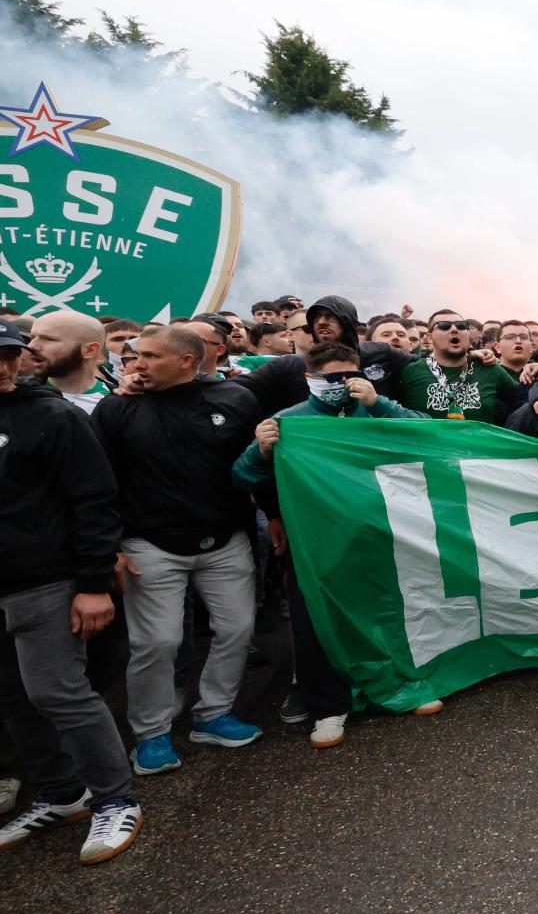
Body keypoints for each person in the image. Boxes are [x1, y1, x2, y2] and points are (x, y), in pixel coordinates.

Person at [234, 341, 427, 746]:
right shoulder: (290, 422)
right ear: (309, 379)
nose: (341, 385)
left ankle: (397, 689)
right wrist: (260, 452)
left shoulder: (375, 410)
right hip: (315, 542)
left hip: (376, 534)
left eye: (348, 376)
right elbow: (242, 479)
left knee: (387, 614)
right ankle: (328, 708)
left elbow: (424, 434)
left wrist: (381, 405)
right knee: (314, 625)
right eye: (330, 378)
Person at [0, 320, 142, 865]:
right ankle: (62, 795)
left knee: (58, 692)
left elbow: (94, 500)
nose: (5, 363)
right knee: (13, 696)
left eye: (10, 353)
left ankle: (113, 799)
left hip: (43, 579)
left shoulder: (50, 415)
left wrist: (90, 585)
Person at [94, 325, 264, 773]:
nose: (136, 364)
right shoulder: (115, 409)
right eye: (134, 356)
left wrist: (274, 516)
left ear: (187, 360)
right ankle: (150, 734)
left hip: (226, 539)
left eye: (149, 356)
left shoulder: (236, 400)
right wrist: (109, 548)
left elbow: (256, 462)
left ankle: (214, 714)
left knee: (238, 630)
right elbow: (98, 485)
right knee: (157, 642)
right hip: (149, 543)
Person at [241, 295, 411, 416]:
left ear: (348, 321)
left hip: (375, 446)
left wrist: (378, 403)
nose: (321, 322)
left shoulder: (381, 352)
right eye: (316, 318)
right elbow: (235, 390)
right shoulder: (290, 365)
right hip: (315, 453)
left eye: (330, 317)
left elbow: (427, 369)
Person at [402, 310, 522, 423]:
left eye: (461, 326)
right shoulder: (410, 371)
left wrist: (537, 368)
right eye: (444, 326)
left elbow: (524, 399)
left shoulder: (490, 368)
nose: (454, 329)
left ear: (468, 334)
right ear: (429, 337)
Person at [27, 310, 113, 412]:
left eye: (49, 339)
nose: (31, 346)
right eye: (32, 338)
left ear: (90, 350)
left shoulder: (122, 402)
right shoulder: (17, 396)